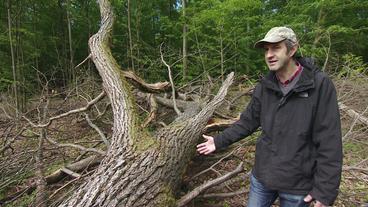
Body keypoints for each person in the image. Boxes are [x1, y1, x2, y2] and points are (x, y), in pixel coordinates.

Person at [197, 26, 342, 207]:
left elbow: (330, 139)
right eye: (266, 50)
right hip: (263, 177)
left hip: (297, 184)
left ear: (293, 49)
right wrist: (218, 141)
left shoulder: (318, 85)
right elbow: (247, 122)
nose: (269, 55)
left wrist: (325, 190)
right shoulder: (265, 86)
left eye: (276, 48)